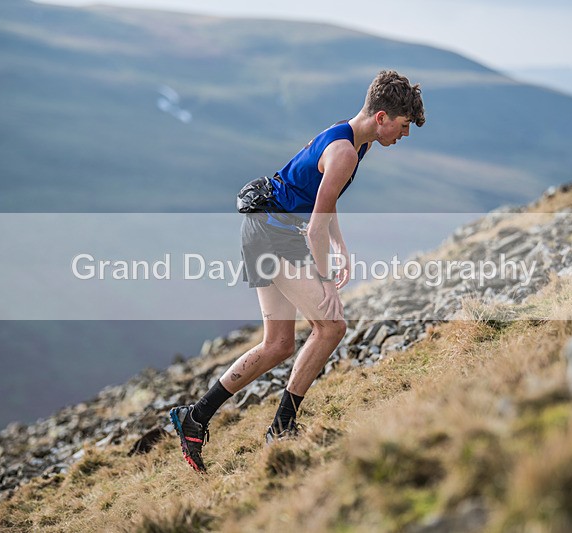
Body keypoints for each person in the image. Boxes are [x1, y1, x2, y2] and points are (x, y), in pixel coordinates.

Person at [169, 70, 426, 472]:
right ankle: (282, 427)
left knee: (279, 345)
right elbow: (316, 226)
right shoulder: (345, 151)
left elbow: (325, 199)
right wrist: (326, 282)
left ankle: (194, 417)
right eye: (404, 126)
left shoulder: (352, 139)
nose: (405, 135)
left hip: (264, 227)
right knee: (332, 325)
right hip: (273, 234)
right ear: (381, 117)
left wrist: (340, 245)